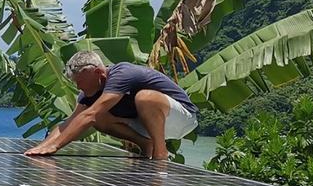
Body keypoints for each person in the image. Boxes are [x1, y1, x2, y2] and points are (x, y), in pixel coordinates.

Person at [25, 51, 198, 160]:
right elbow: (69, 123)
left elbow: (89, 115)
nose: (79, 88)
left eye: (81, 82)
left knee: (144, 97)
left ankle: (160, 154)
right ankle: (146, 144)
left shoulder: (122, 74)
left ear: (99, 73)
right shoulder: (88, 93)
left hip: (181, 116)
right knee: (98, 117)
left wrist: (55, 146)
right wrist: (42, 147)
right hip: (148, 123)